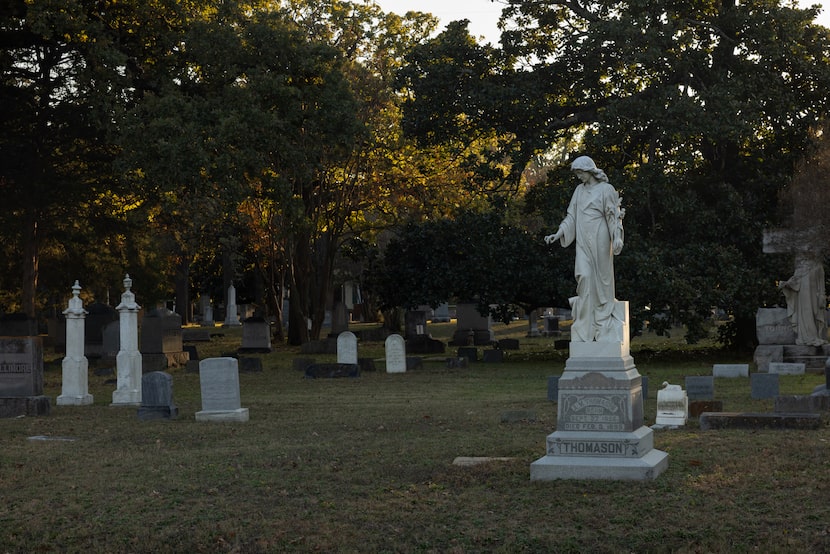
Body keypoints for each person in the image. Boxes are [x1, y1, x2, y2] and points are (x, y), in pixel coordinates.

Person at [545, 156, 625, 342]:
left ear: (589, 170)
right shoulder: (579, 191)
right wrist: (558, 233)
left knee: (603, 280)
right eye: (577, 173)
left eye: (580, 172)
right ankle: (587, 321)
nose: (579, 177)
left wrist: (617, 237)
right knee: (584, 276)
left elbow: (612, 215)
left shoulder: (606, 189)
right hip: (582, 239)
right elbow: (571, 216)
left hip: (600, 237)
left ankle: (603, 320)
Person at [779, 253, 827, 346]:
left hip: (815, 295)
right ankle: (807, 338)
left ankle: (815, 336)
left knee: (815, 314)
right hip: (803, 296)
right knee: (805, 315)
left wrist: (822, 295)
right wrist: (786, 284)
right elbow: (795, 281)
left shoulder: (818, 265)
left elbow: (821, 283)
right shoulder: (801, 266)